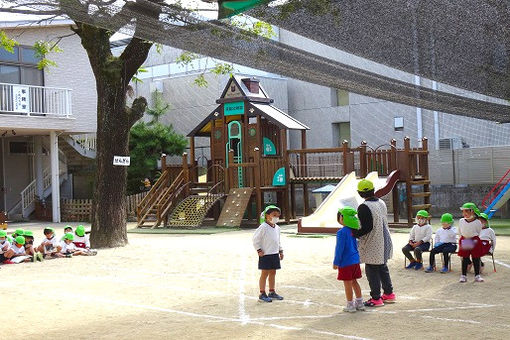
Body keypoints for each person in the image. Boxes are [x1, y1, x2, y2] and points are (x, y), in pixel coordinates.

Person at [353, 179, 395, 307]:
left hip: (372, 242)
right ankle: (389, 293)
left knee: (372, 270)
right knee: (382, 267)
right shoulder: (381, 202)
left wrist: (354, 233)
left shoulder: (364, 206)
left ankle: (376, 298)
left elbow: (367, 227)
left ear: (360, 193)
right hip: (383, 239)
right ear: (373, 190)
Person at [333, 206, 365, 313]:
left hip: (345, 262)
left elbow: (339, 249)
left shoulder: (341, 232)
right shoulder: (354, 231)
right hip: (355, 261)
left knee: (347, 284)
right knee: (354, 282)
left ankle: (350, 304)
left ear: (342, 218)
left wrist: (336, 262)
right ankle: (360, 303)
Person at [253, 205, 284, 303]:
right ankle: (262, 293)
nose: (276, 217)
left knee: (273, 273)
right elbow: (255, 239)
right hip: (265, 254)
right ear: (267, 216)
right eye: (274, 215)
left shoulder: (277, 228)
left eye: (278, 215)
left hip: (274, 254)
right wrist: (258, 250)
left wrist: (280, 251)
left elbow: (277, 241)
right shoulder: (263, 227)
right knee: (264, 273)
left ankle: (272, 291)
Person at [458, 202, 484, 283]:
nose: (464, 213)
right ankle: (463, 276)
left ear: (472, 211)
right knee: (465, 258)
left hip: (474, 240)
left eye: (466, 211)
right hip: (465, 240)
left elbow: (478, 232)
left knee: (476, 258)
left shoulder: (477, 222)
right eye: (463, 211)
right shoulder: (461, 221)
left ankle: (477, 275)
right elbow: (460, 231)